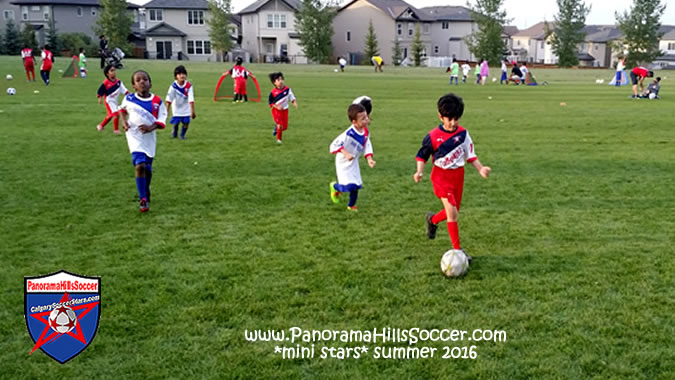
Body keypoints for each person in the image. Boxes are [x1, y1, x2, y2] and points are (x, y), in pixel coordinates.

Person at [413, 93, 491, 259]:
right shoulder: (433, 136)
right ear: (440, 116)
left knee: (454, 211)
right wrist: (419, 171)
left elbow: (470, 155)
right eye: (449, 119)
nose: (453, 123)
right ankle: (458, 251)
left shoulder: (463, 134)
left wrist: (480, 168)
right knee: (453, 213)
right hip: (441, 177)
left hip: (458, 176)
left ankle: (432, 220)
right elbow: (422, 155)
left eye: (456, 119)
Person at [119, 70, 168, 213]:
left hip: (149, 138)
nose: (142, 82)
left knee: (147, 168)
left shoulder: (157, 101)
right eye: (138, 80)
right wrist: (124, 123)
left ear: (150, 83)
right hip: (134, 136)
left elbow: (161, 120)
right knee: (139, 165)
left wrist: (150, 127)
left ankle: (146, 189)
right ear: (134, 85)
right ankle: (143, 199)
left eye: (145, 79)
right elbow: (122, 110)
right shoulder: (129, 99)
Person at [329, 103, 376, 211]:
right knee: (348, 187)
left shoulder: (365, 132)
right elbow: (334, 145)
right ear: (354, 122)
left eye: (366, 117)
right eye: (363, 119)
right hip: (343, 162)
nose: (366, 120)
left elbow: (367, 144)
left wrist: (369, 159)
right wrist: (345, 153)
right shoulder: (348, 134)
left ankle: (351, 206)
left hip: (353, 162)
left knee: (356, 186)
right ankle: (335, 187)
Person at [165, 65, 196, 139]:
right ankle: (174, 132)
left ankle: (182, 135)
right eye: (179, 74)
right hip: (176, 107)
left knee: (186, 122)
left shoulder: (188, 86)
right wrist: (166, 111)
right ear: (176, 76)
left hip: (186, 107)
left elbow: (191, 99)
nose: (182, 76)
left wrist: (192, 111)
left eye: (183, 74)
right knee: (176, 122)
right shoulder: (173, 86)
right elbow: (169, 99)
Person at [97, 64, 128, 134]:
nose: (114, 72)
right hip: (109, 101)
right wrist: (100, 98)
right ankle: (116, 130)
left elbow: (124, 90)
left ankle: (101, 126)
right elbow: (100, 91)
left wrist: (129, 94)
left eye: (114, 70)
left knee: (110, 115)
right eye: (112, 70)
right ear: (107, 74)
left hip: (115, 101)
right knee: (116, 114)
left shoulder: (119, 83)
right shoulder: (105, 83)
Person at [269, 72, 297, 144]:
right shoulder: (273, 92)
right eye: (278, 80)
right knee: (280, 126)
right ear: (274, 82)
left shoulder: (287, 89)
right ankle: (279, 140)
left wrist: (294, 102)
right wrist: (277, 106)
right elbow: (270, 103)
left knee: (284, 127)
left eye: (281, 79)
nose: (281, 81)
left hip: (285, 110)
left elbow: (291, 97)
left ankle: (276, 128)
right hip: (276, 111)